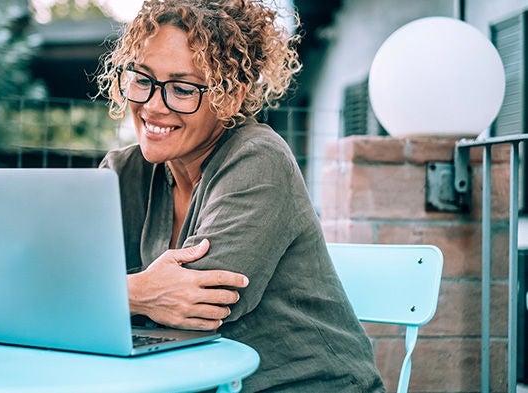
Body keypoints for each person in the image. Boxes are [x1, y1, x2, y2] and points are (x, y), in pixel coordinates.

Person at [96, 0, 385, 391]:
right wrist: (140, 293)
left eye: (182, 89)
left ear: (230, 97)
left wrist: (110, 294)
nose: (153, 105)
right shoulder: (123, 172)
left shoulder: (258, 159)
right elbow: (63, 275)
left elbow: (197, 306)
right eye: (143, 79)